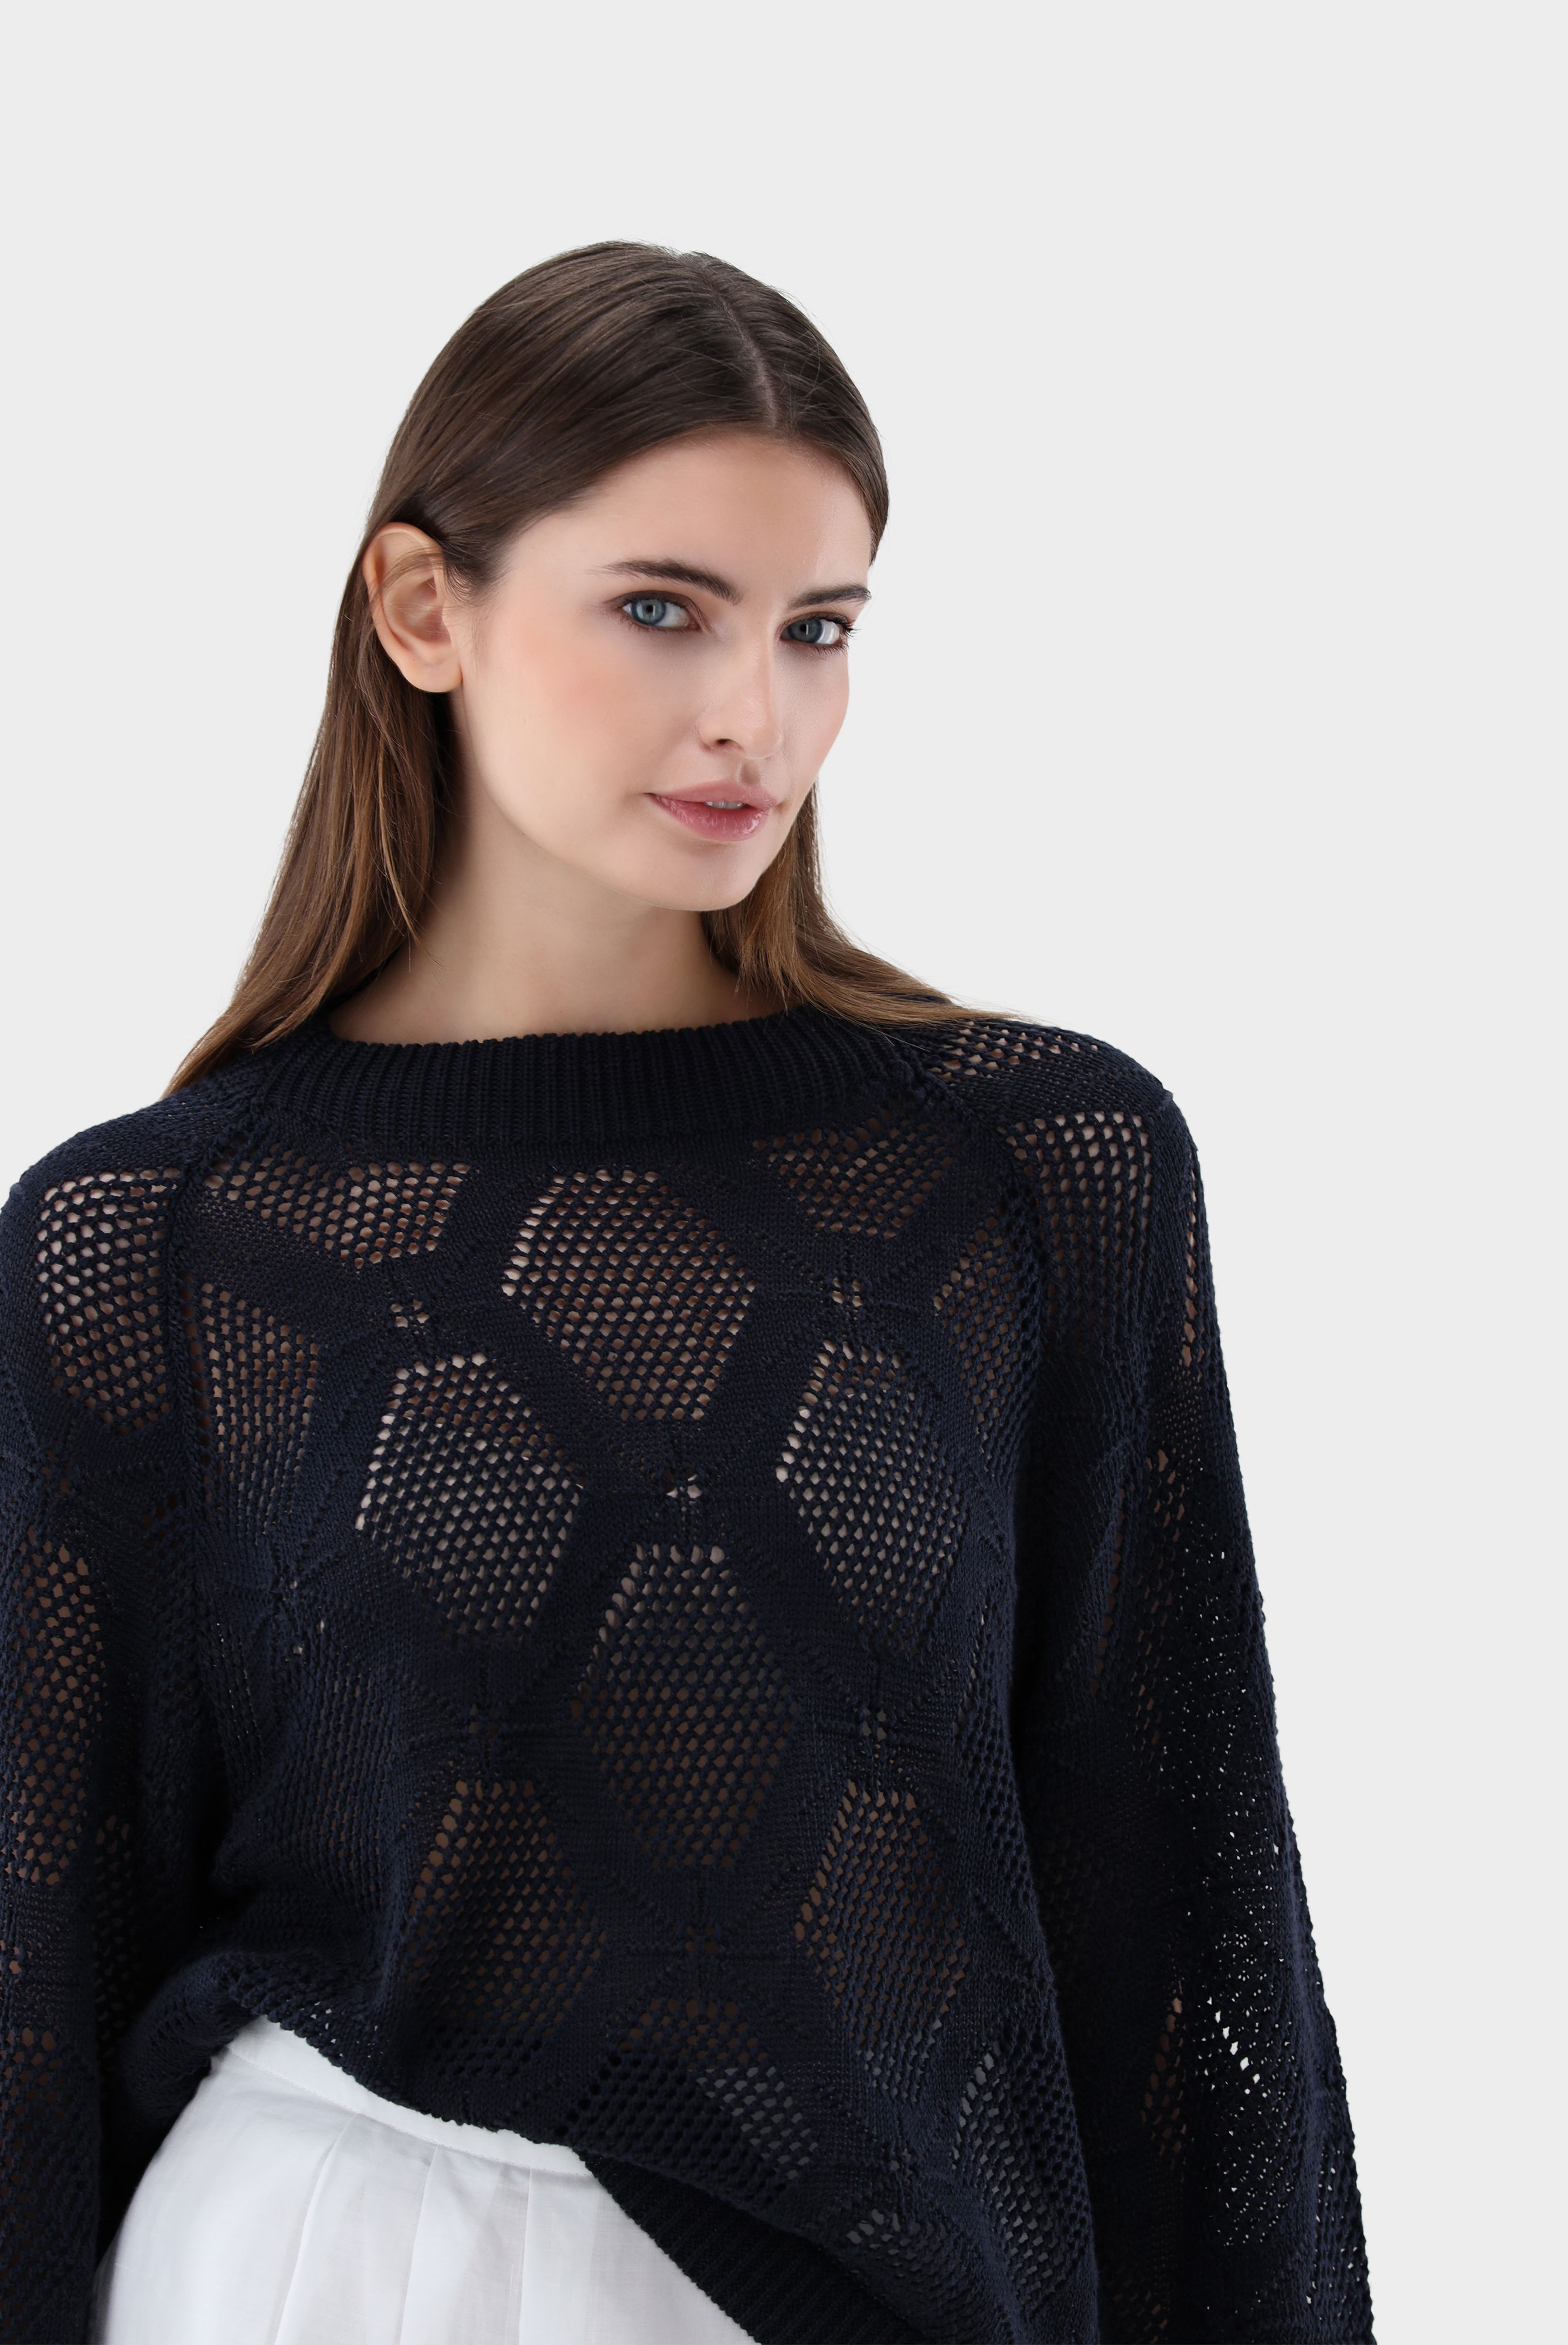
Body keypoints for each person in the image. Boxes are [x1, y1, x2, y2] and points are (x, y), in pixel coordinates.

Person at [0, 242, 1375, 2345]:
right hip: (322, 2269)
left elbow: (1180, 1910)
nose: (756, 716)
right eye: (661, 610)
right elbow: (36, 1970)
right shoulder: (158, 1244)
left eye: (817, 628)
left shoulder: (1028, 1173)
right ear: (422, 609)